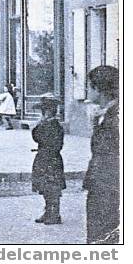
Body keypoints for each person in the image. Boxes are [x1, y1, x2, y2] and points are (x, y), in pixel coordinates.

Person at [83, 65, 119, 244]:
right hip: (102, 184)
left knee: (102, 237)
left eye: (89, 86)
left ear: (99, 88)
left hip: (107, 188)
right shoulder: (107, 114)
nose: (87, 91)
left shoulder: (114, 118)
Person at [31, 98, 66, 225]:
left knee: (53, 188)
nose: (43, 113)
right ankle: (48, 212)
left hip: (51, 160)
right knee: (45, 188)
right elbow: (36, 137)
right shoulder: (46, 124)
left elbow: (40, 138)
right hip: (44, 158)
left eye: (44, 110)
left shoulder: (54, 125)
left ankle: (55, 214)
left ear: (50, 111)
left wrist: (40, 125)